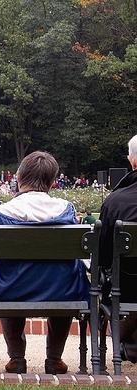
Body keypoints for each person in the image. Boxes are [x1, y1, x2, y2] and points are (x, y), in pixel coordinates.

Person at [0, 151, 90, 375]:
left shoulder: (1, 214)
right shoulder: (66, 210)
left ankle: (16, 357)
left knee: (9, 278)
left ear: (18, 178)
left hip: (13, 289)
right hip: (61, 289)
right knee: (63, 277)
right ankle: (54, 359)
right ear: (52, 182)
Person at [99, 134, 137, 362]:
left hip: (129, 288)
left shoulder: (115, 202)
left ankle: (130, 346)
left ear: (132, 162)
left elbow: (103, 257)